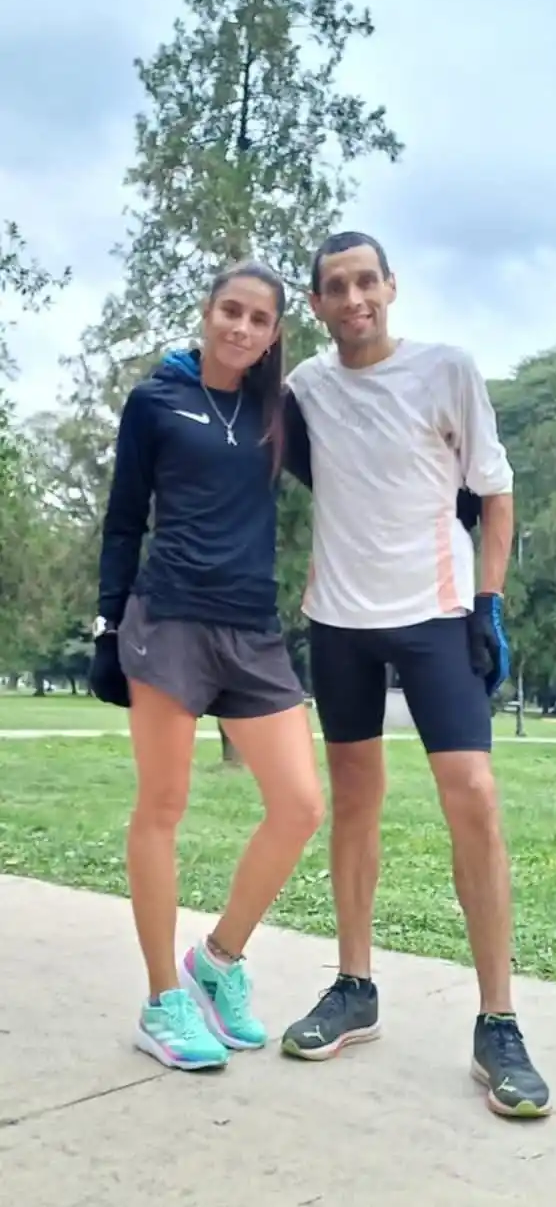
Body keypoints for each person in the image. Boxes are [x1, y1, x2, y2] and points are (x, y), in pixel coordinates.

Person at [279, 231, 551, 1119]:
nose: (354, 298)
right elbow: (234, 398)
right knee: (353, 797)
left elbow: (496, 489)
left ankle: (499, 1023)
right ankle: (354, 985)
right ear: (317, 305)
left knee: (471, 791)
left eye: (367, 281)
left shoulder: (448, 370)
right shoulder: (306, 390)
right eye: (335, 287)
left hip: (435, 617)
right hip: (339, 621)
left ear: (391, 286)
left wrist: (490, 602)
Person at [89, 260, 324, 1072]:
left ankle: (215, 964)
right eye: (231, 311)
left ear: (272, 335)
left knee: (298, 806)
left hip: (253, 630)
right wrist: (105, 627)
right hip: (171, 621)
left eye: (260, 321)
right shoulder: (156, 400)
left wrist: (461, 495)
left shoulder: (276, 410)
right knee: (163, 805)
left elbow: (350, 473)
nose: (242, 329)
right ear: (207, 310)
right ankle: (162, 1001)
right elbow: (124, 522)